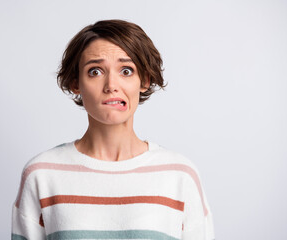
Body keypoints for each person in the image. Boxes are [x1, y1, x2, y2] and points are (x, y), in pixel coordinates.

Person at [11, 19, 214, 240]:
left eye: (126, 71)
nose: (111, 86)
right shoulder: (42, 174)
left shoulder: (180, 175)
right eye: (95, 71)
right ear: (75, 83)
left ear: (144, 80)